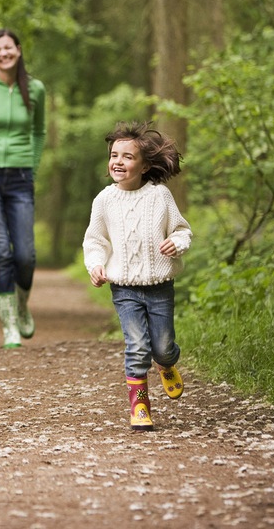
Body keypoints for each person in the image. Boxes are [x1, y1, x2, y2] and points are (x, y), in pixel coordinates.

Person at [82, 121, 192, 431]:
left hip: (159, 287)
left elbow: (182, 229)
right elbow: (95, 241)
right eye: (114, 155)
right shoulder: (104, 201)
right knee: (137, 346)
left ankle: (167, 364)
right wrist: (96, 265)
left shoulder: (159, 196)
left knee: (163, 347)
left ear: (144, 165)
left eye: (127, 156)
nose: (118, 161)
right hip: (124, 288)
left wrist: (177, 243)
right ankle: (139, 404)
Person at [0, 28, 46, 349]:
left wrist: (32, 164)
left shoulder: (36, 89)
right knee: (1, 252)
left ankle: (22, 304)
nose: (3, 53)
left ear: (18, 49)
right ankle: (9, 325)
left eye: (8, 47)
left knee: (25, 255)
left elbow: (39, 131)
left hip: (21, 178)